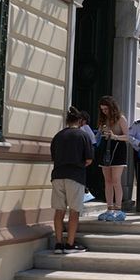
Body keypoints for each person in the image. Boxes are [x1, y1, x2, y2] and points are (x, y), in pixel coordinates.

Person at [50, 106, 93, 254]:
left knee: (59, 210)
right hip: (75, 176)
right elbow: (89, 159)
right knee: (74, 211)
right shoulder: (83, 136)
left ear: (67, 121)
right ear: (80, 121)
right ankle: (70, 244)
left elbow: (54, 157)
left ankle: (58, 243)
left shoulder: (58, 136)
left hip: (57, 175)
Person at [96, 96, 129, 221]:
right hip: (106, 149)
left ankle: (118, 209)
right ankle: (109, 208)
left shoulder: (121, 118)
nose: (104, 111)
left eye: (106, 109)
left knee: (116, 180)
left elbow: (127, 137)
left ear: (112, 107)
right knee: (107, 181)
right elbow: (99, 135)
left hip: (118, 149)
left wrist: (115, 136)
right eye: (102, 109)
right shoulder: (103, 119)